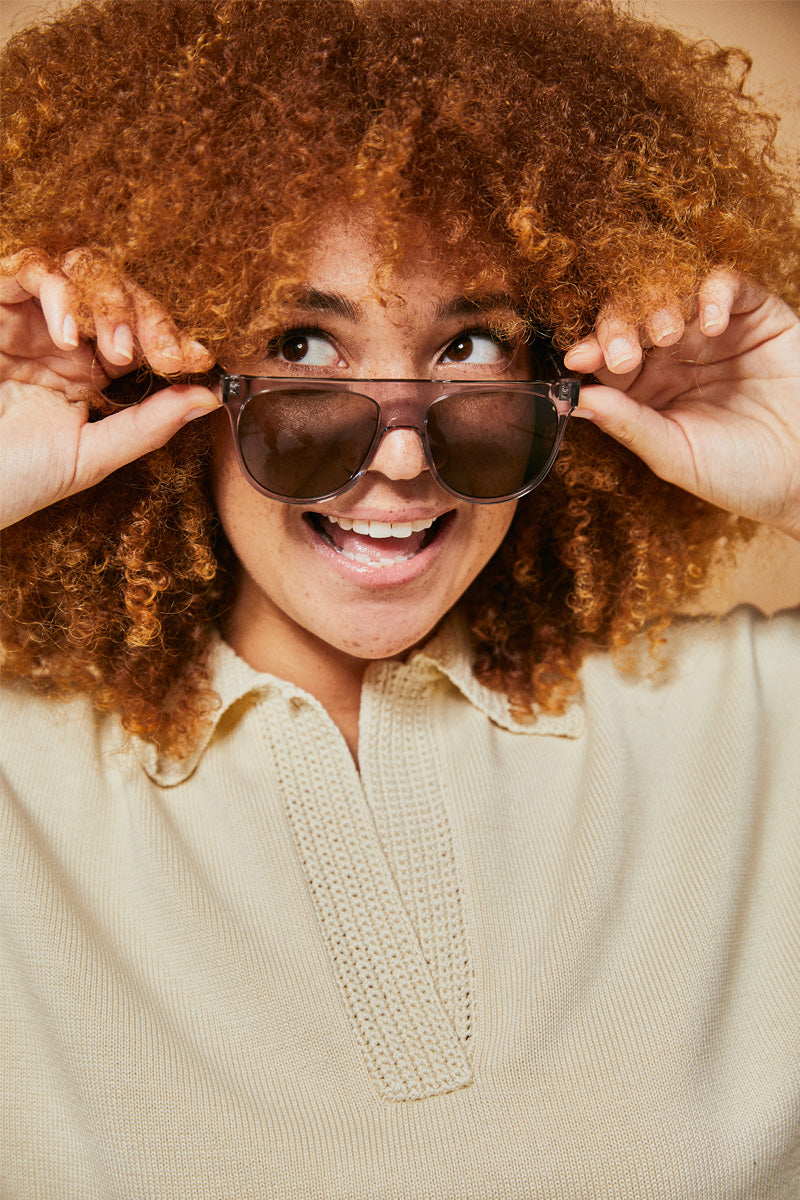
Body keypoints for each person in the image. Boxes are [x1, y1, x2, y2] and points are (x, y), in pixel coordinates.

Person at [1, 0, 798, 1196]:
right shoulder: (22, 786)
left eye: (470, 348)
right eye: (304, 350)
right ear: (162, 378)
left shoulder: (747, 724)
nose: (403, 456)